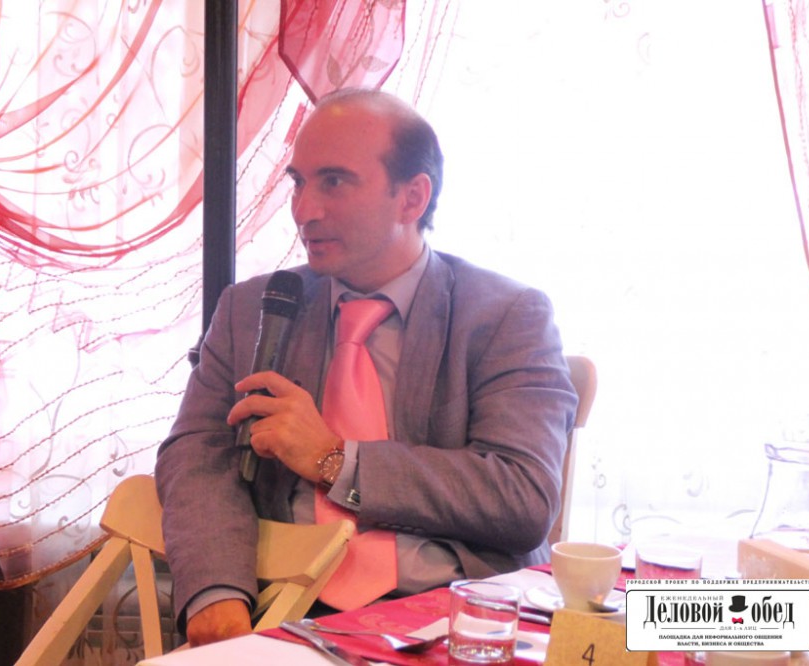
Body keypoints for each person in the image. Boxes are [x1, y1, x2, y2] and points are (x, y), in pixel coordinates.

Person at [155, 88, 578, 647]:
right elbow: (197, 455)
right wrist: (216, 593)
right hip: (283, 611)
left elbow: (522, 496)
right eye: (298, 182)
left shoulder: (505, 316)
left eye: (333, 181)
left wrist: (336, 460)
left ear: (413, 198)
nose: (304, 210)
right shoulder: (250, 309)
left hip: (451, 620)